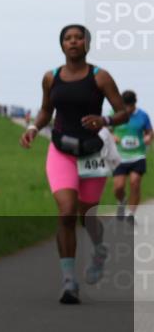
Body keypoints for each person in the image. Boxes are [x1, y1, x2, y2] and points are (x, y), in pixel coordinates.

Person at [20, 24, 129, 304]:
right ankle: (69, 283)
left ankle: (99, 250)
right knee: (67, 212)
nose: (73, 42)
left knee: (87, 215)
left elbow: (122, 112)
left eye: (78, 38)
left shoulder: (100, 77)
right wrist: (34, 127)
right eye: (68, 38)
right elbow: (46, 110)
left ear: (87, 44)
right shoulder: (51, 78)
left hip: (92, 153)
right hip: (61, 151)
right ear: (62, 45)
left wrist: (104, 120)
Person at [112, 90, 153, 225]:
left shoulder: (143, 116)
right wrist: (112, 137)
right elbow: (104, 129)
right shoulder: (115, 114)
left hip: (138, 155)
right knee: (118, 187)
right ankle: (122, 202)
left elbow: (150, 131)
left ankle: (131, 213)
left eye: (129, 106)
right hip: (120, 157)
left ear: (134, 104)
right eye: (125, 106)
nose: (127, 109)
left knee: (135, 183)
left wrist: (148, 137)